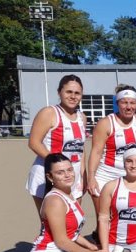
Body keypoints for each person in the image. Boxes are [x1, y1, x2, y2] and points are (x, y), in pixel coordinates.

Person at [27, 153, 126, 252]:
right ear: (50, 176)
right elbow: (62, 241)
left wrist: (89, 247)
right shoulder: (55, 201)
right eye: (60, 172)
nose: (67, 175)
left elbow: (72, 233)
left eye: (69, 170)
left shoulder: (68, 195)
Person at [25, 75, 87, 213]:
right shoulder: (49, 113)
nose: (73, 96)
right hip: (49, 173)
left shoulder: (82, 118)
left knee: (73, 221)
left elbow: (81, 150)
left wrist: (84, 175)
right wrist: (58, 164)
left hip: (73, 175)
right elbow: (34, 143)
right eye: (68, 92)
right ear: (59, 92)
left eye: (77, 93)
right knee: (51, 225)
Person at [87, 85, 136, 213]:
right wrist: (91, 178)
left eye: (132, 102)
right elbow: (96, 152)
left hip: (129, 176)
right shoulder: (106, 123)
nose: (129, 107)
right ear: (117, 103)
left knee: (124, 217)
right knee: (104, 218)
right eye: (124, 102)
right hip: (105, 175)